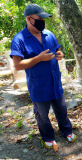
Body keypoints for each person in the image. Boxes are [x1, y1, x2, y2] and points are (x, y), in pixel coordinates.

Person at [10, 4, 76, 150]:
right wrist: (38, 59)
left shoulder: (49, 34)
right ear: (29, 19)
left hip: (55, 83)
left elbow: (57, 50)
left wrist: (60, 55)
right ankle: (47, 136)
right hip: (39, 86)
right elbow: (18, 65)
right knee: (42, 115)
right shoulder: (20, 39)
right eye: (40, 18)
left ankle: (66, 130)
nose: (43, 21)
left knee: (62, 110)